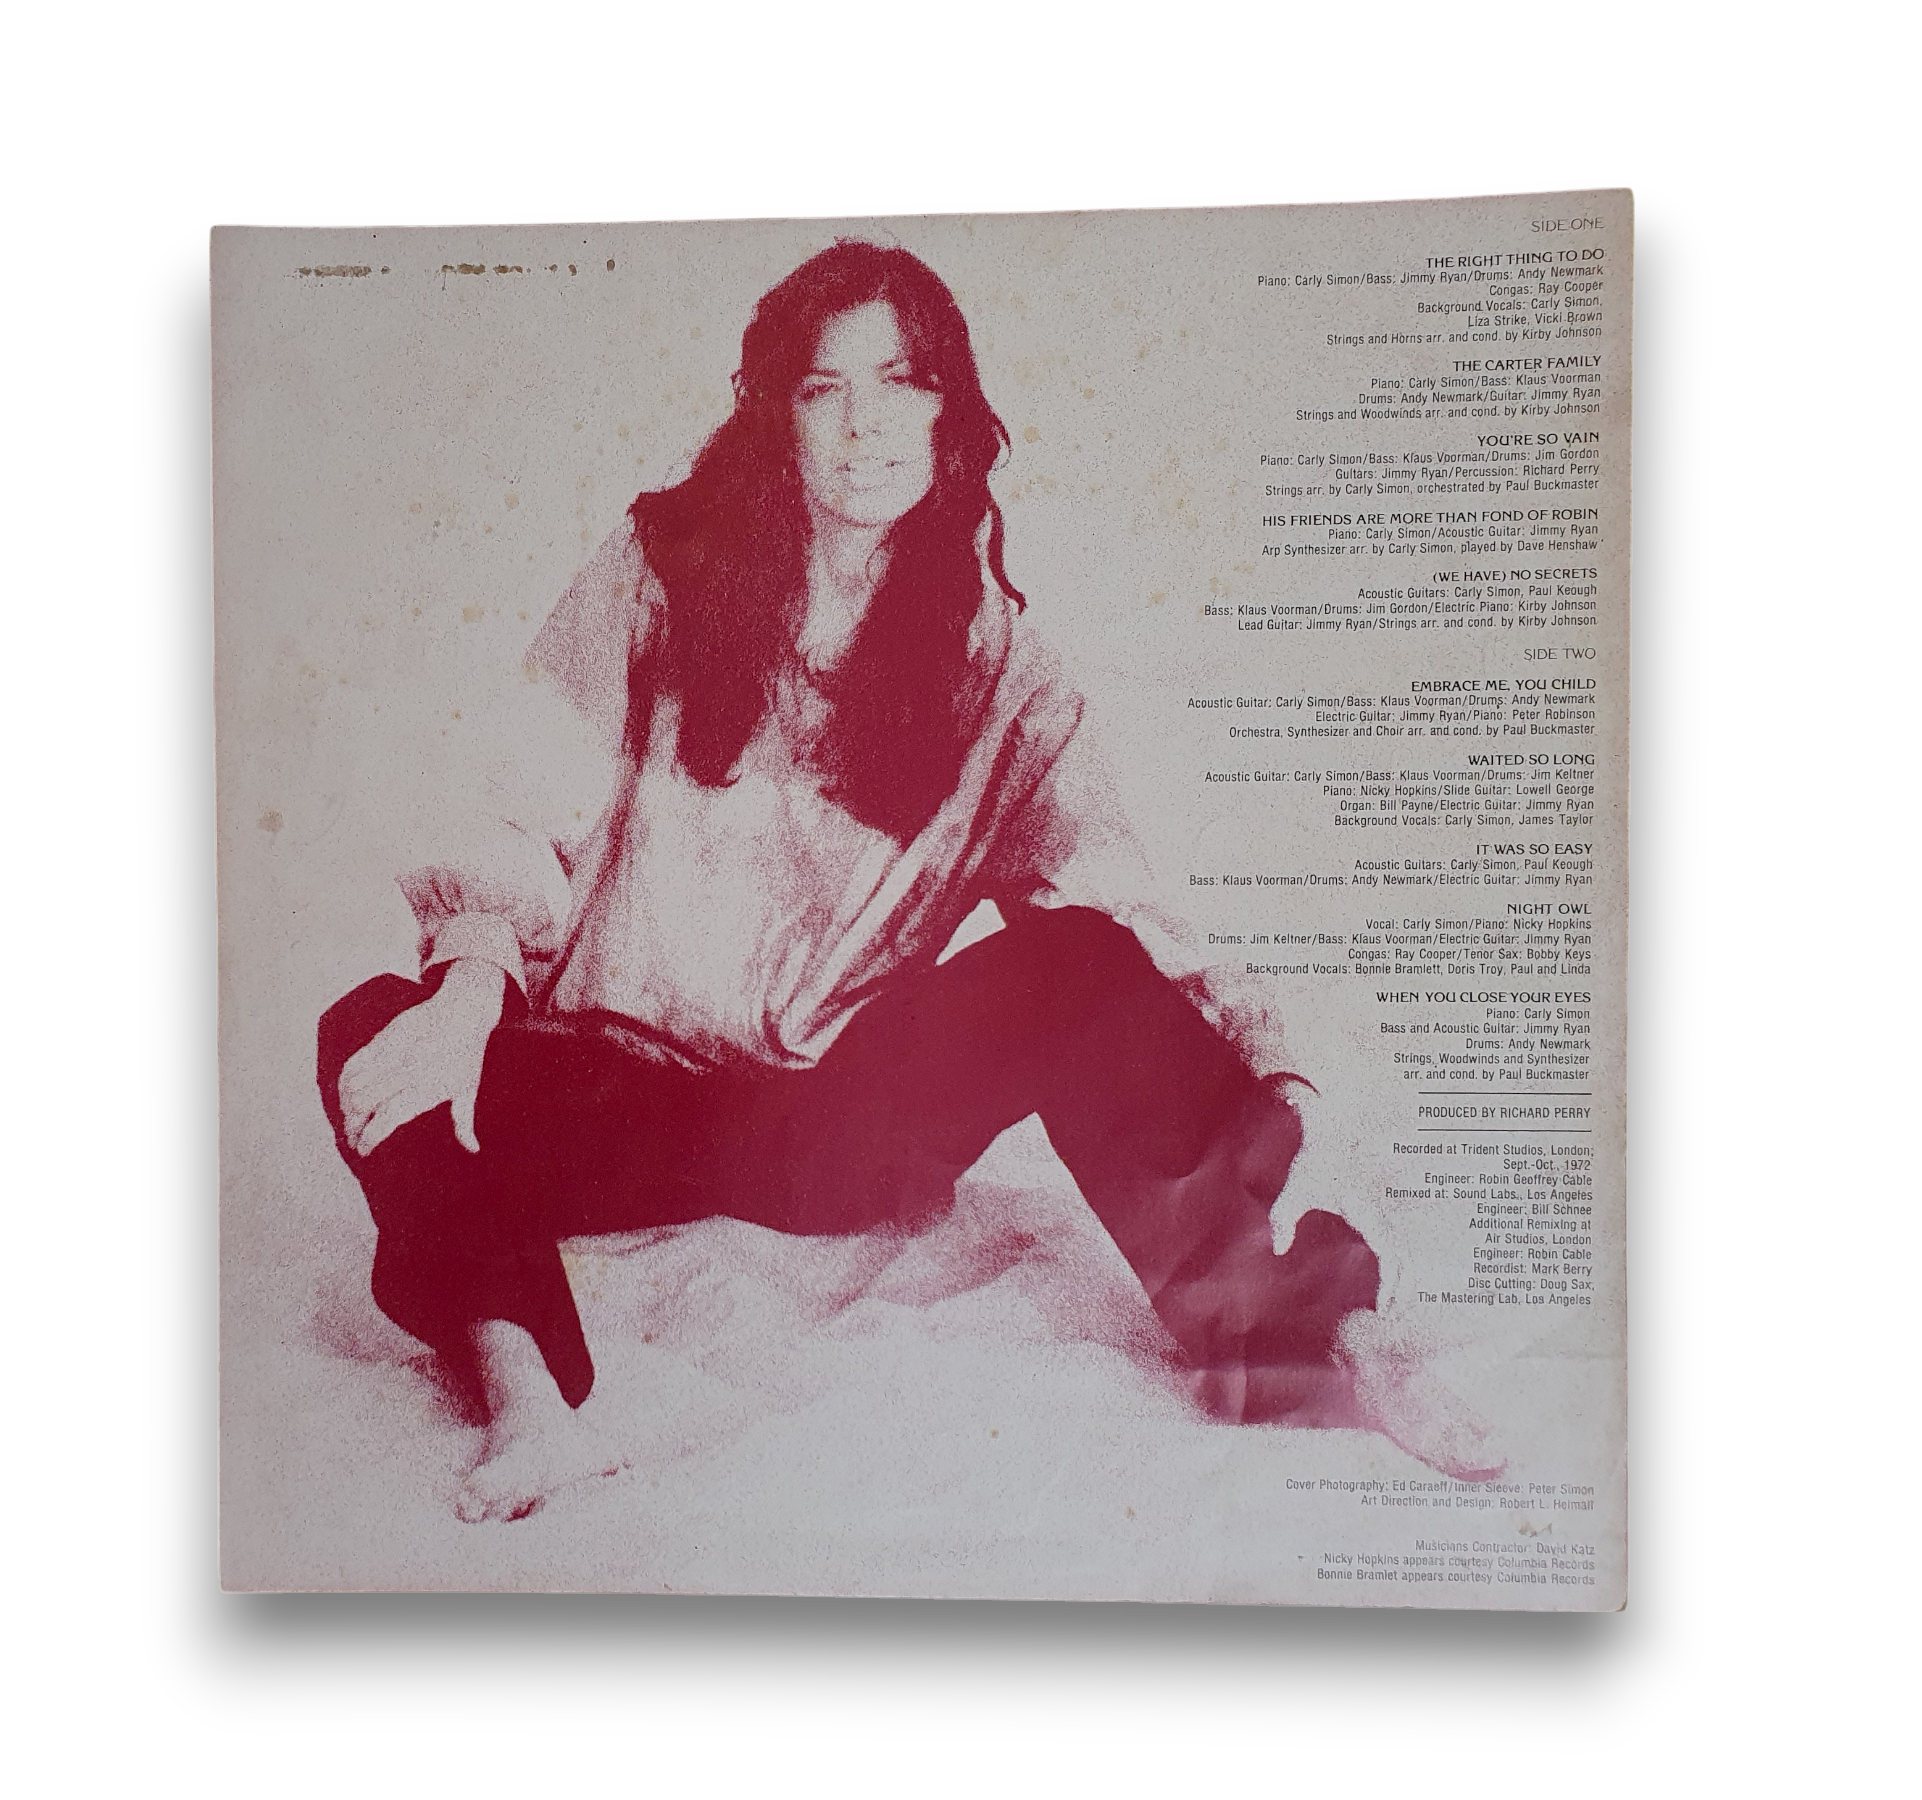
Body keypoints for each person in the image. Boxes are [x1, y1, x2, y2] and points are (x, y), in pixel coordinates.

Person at [319, 242, 1475, 1524]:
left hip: (824, 1132)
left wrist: (1266, 1077)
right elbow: (523, 781)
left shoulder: (1002, 668)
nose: (864, 426)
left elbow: (1115, 912)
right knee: (368, 1022)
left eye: (901, 383)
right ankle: (529, 1402)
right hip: (605, 1099)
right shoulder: (659, 568)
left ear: (949, 414)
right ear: (777, 418)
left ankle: (1314, 1335)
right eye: (823, 390)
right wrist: (467, 986)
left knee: (1076, 962)